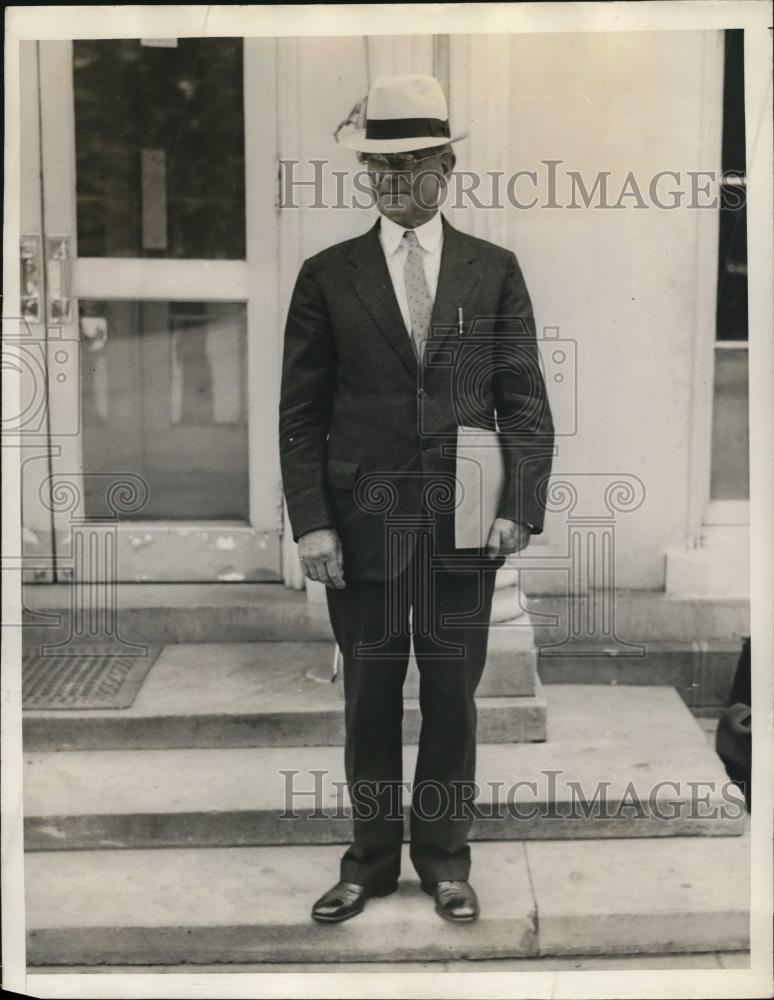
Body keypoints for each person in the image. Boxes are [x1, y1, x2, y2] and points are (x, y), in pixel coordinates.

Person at [279, 74, 554, 924]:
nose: (397, 183)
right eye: (380, 169)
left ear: (446, 167)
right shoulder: (328, 275)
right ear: (366, 174)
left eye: (414, 166)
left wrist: (520, 506)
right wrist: (312, 523)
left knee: (449, 698)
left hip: (461, 531)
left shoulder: (492, 271)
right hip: (358, 529)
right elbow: (299, 413)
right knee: (367, 697)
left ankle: (443, 862)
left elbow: (524, 402)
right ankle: (367, 864)